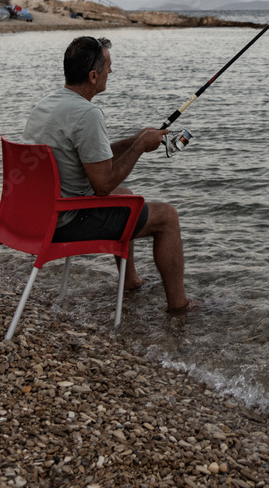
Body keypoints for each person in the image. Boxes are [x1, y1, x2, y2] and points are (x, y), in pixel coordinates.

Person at [23, 35, 197, 312]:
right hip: (63, 222)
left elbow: (90, 158)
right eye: (108, 67)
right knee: (167, 217)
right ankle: (180, 306)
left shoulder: (47, 104)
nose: (111, 71)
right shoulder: (87, 114)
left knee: (126, 195)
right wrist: (140, 147)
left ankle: (130, 282)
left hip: (34, 216)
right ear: (93, 76)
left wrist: (134, 140)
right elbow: (102, 185)